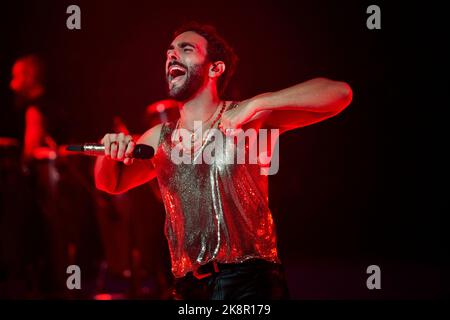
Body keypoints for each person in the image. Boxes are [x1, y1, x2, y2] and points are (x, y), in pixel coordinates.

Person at [94, 22, 352, 300]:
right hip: (188, 288)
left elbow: (339, 93)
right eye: (169, 51)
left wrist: (259, 102)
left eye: (186, 48)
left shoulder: (247, 119)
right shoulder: (160, 138)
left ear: (215, 68)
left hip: (250, 283)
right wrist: (109, 153)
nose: (171, 55)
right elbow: (111, 183)